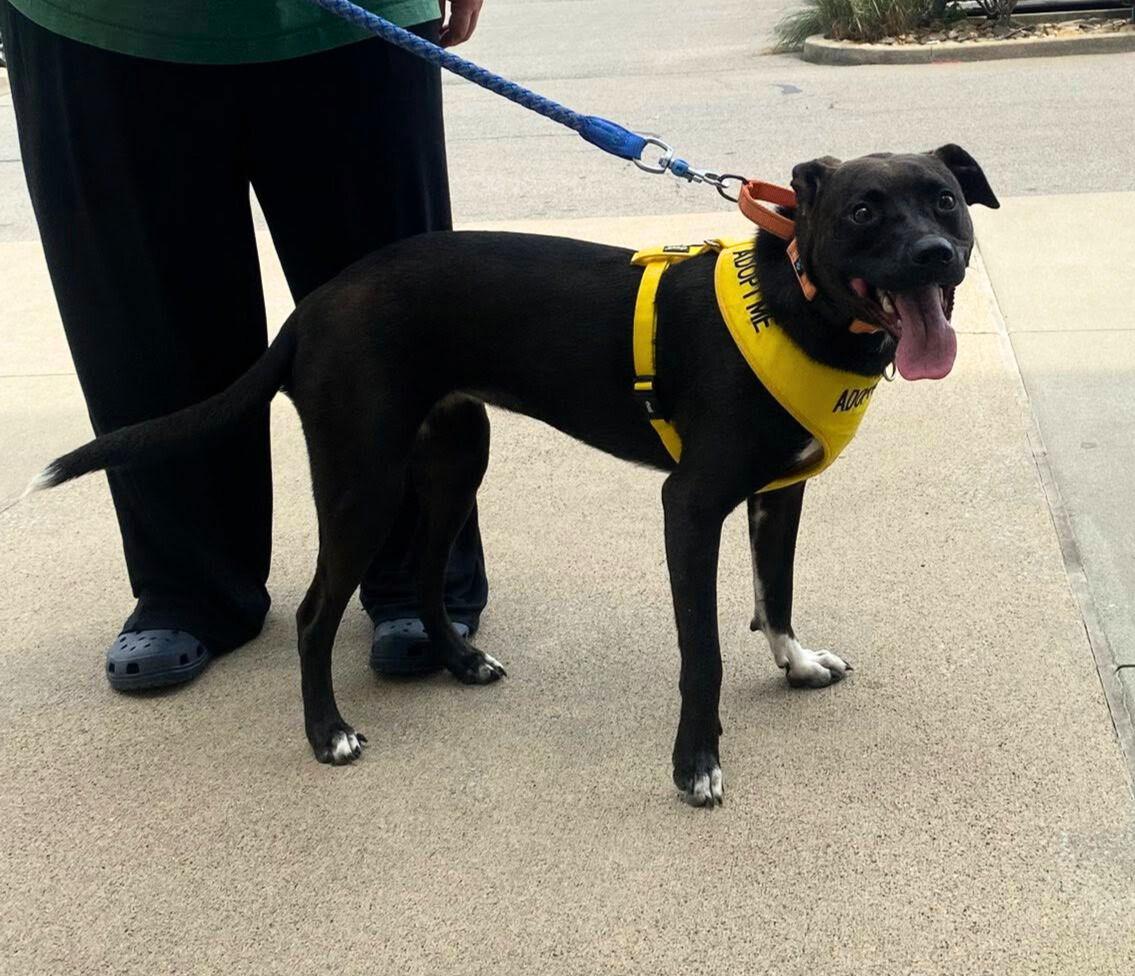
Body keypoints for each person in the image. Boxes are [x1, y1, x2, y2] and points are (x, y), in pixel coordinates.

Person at [1, 0, 489, 689]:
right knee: (142, 320)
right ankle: (189, 583)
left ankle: (417, 571)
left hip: (352, 17)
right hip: (94, 22)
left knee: (393, 313)